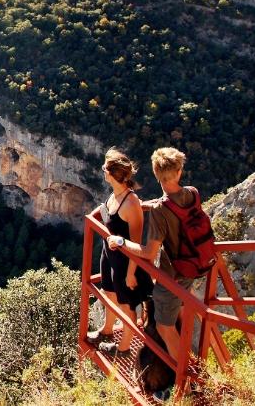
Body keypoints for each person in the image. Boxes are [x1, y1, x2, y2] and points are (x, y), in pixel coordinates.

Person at [108, 147, 196, 366]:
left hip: (173, 274)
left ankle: (185, 379)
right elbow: (173, 203)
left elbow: (149, 253)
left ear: (156, 175)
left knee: (165, 327)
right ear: (179, 172)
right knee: (183, 314)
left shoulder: (159, 213)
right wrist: (147, 205)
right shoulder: (193, 193)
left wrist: (121, 241)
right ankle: (196, 362)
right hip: (194, 266)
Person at [87, 148, 152, 357]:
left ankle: (123, 348)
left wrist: (131, 273)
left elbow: (136, 241)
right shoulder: (115, 195)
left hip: (125, 263)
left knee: (127, 305)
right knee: (109, 294)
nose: (102, 170)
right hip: (109, 255)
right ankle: (106, 330)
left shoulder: (131, 203)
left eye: (105, 168)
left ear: (112, 173)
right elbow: (107, 213)